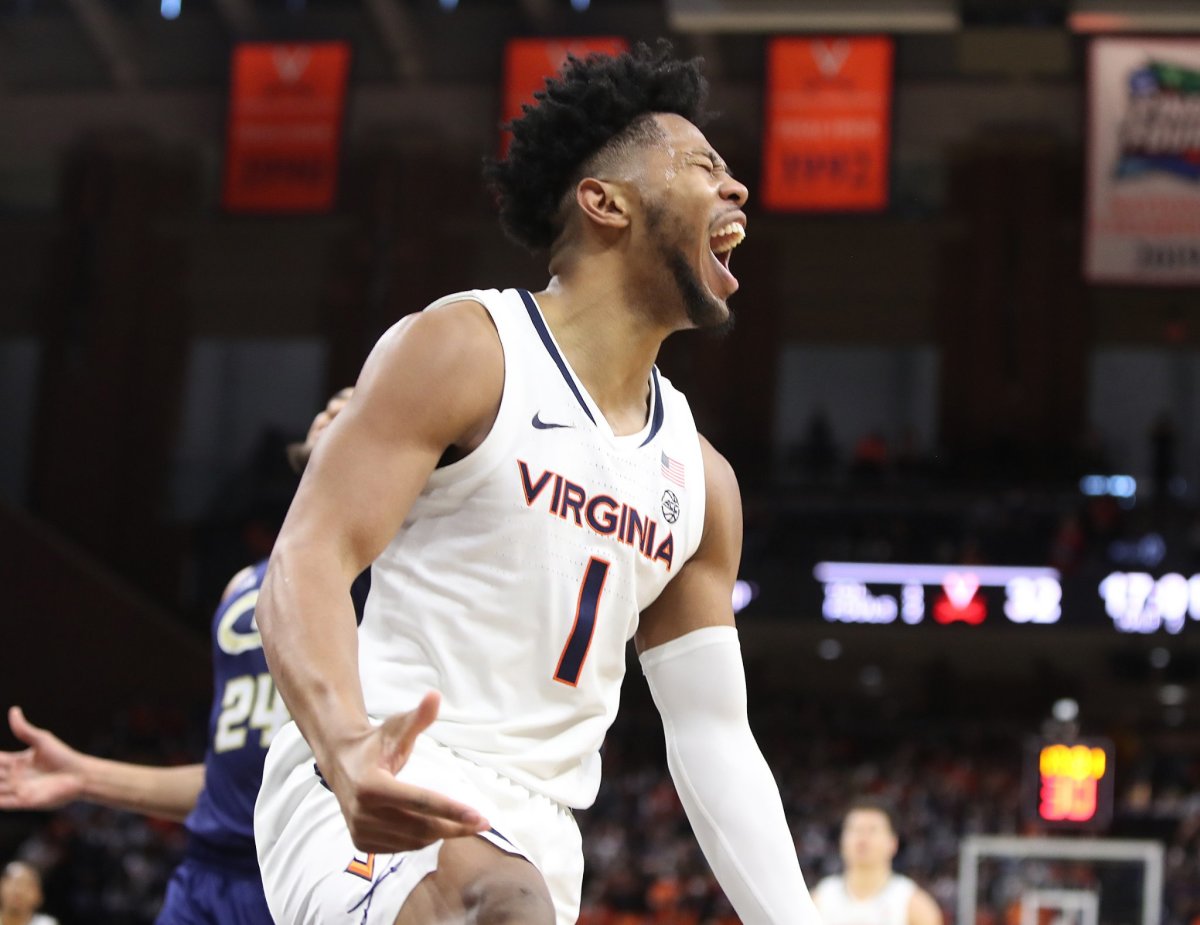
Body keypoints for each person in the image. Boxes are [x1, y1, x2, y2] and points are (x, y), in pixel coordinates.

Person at [253, 41, 819, 925]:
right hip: (381, 762)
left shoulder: (703, 480)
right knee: (503, 904)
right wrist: (345, 745)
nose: (737, 187)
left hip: (544, 832)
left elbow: (712, 735)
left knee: (516, 895)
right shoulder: (468, 348)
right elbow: (307, 557)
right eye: (704, 164)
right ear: (605, 202)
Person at [0, 391, 352, 925]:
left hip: (312, 877)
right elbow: (230, 780)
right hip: (208, 876)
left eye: (365, 398)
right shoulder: (245, 585)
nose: (336, 405)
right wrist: (85, 775)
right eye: (336, 398)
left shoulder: (397, 583)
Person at [813, 799, 942, 925]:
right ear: (842, 840)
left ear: (893, 843)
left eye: (872, 830)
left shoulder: (914, 905)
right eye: (855, 829)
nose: (862, 838)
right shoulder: (819, 900)